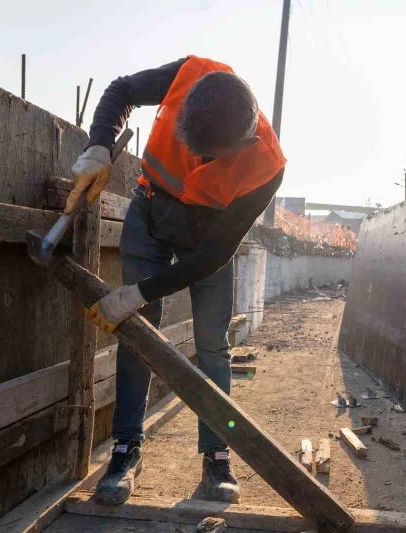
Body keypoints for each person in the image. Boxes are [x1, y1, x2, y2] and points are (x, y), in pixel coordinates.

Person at [64, 56, 285, 506]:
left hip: (207, 239)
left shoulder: (266, 167)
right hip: (151, 210)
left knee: (212, 344)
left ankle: (216, 455)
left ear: (242, 144)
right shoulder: (190, 74)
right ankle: (126, 450)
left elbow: (212, 257)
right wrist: (99, 146)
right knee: (138, 334)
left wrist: (136, 293)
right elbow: (121, 90)